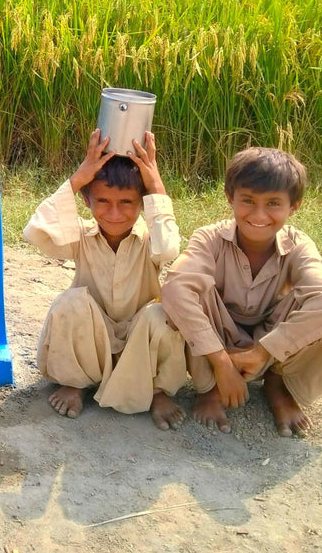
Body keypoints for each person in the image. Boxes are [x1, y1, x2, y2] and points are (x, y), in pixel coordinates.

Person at [23, 129, 186, 429]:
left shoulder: (150, 239)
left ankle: (158, 390)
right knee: (70, 303)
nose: (114, 213)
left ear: (143, 204)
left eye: (126, 202)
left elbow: (170, 248)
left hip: (139, 341)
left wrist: (156, 186)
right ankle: (75, 382)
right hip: (92, 342)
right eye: (103, 201)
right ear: (86, 199)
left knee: (162, 315)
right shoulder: (81, 236)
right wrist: (77, 178)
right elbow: (36, 233)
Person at [161, 147, 322, 437]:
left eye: (273, 203)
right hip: (218, 336)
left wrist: (264, 352)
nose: (259, 215)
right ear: (229, 198)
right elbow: (174, 288)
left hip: (270, 340)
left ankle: (278, 384)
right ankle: (208, 387)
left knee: (314, 302)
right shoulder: (209, 238)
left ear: (294, 207)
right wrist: (221, 362)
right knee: (186, 294)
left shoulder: (299, 246)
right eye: (248, 201)